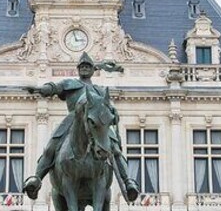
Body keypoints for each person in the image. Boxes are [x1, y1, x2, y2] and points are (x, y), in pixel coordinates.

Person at [23, 52, 140, 202]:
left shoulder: (100, 90)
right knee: (51, 146)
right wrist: (41, 89)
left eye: (88, 66)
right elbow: (54, 88)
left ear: (93, 70)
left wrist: (114, 114)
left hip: (96, 123)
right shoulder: (70, 84)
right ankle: (36, 179)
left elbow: (109, 110)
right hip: (73, 120)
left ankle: (128, 181)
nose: (85, 68)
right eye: (82, 66)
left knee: (116, 150)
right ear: (78, 69)